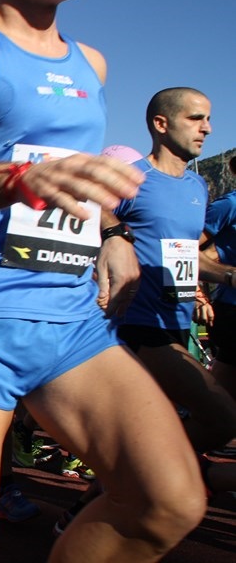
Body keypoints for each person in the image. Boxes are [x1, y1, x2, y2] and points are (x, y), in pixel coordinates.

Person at [0, 0, 205, 561]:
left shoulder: (92, 63)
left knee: (169, 501)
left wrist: (113, 232)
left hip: (74, 316)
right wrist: (19, 179)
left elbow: (71, 175)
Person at [108, 88, 235, 484]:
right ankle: (186, 474)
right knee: (222, 417)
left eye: (208, 119)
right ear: (161, 124)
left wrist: (226, 276)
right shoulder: (132, 179)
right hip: (135, 324)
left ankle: (97, 501)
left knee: (144, 433)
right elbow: (91, 227)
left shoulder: (197, 187)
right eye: (195, 119)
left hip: (176, 320)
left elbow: (185, 253)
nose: (207, 129)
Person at [201, 155, 236, 401]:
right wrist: (198, 295)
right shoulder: (229, 205)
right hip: (232, 309)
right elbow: (187, 250)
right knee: (220, 397)